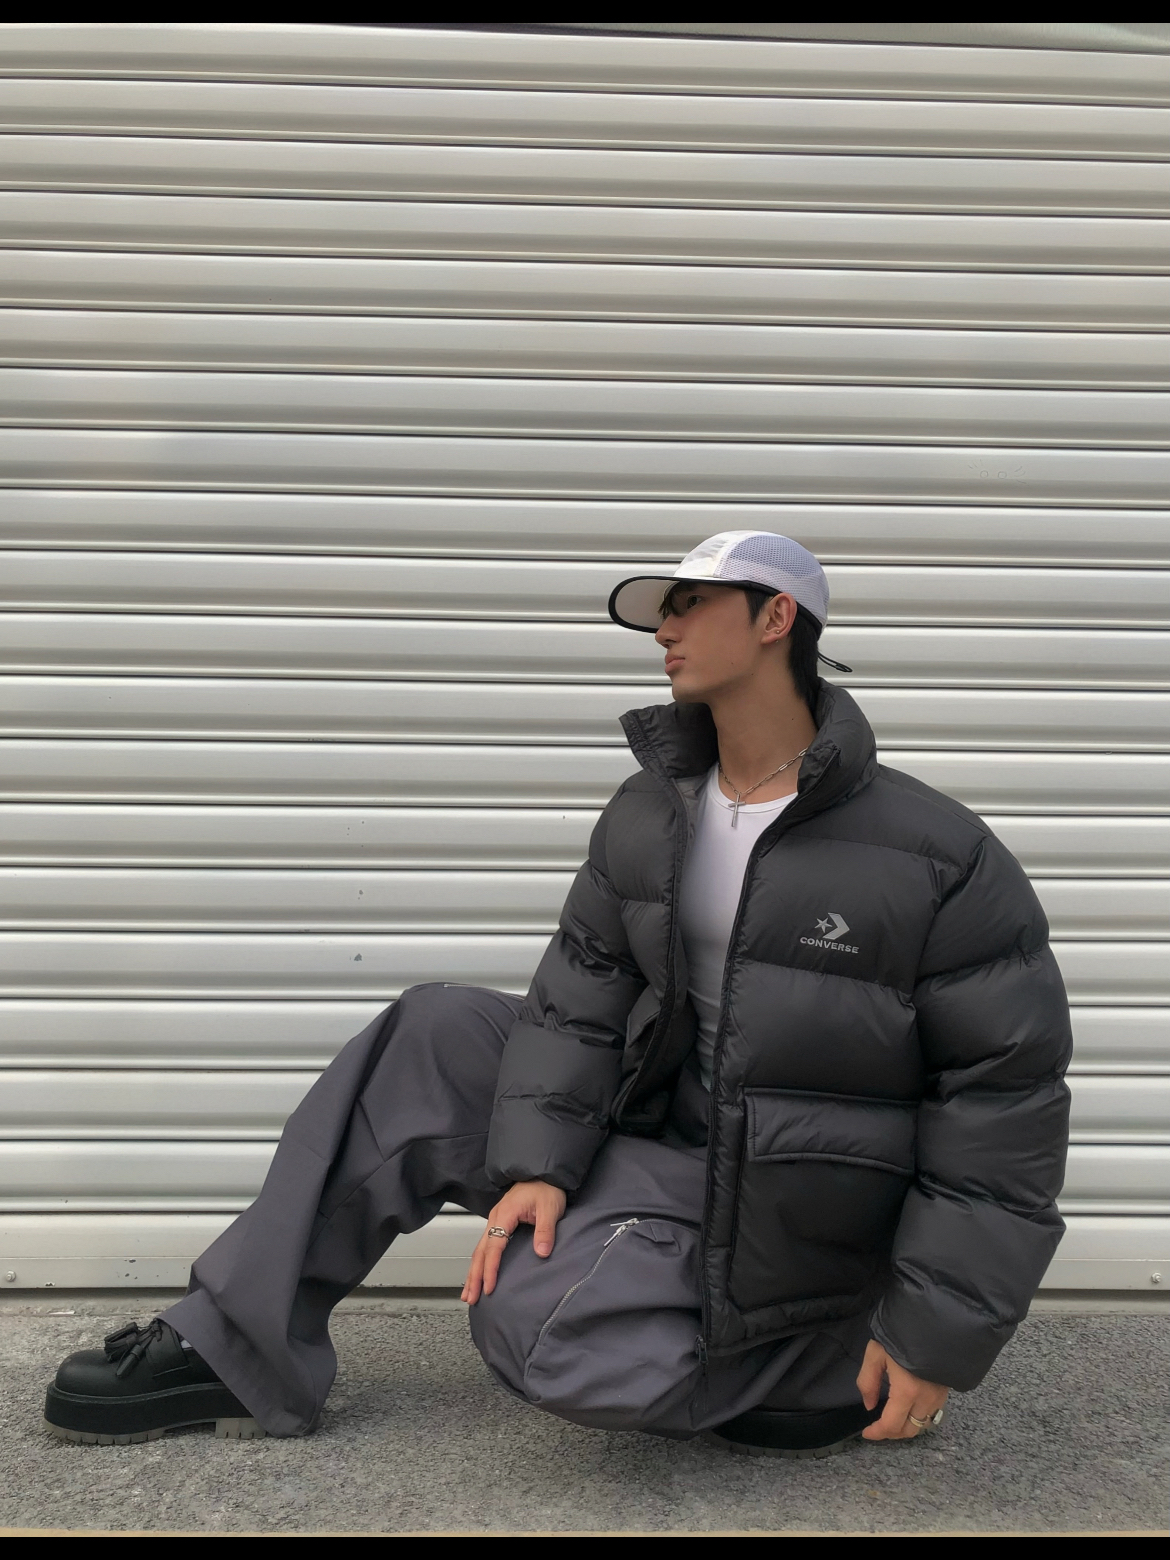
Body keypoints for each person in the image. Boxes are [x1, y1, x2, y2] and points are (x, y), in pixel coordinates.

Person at [43, 531, 1072, 1458]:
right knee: (435, 1030)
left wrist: (931, 1334)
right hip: (672, 1148)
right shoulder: (650, 813)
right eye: (662, 612)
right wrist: (540, 1163)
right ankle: (233, 1348)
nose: (664, 630)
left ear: (775, 619)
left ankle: (814, 1359)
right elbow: (578, 998)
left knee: (540, 1324)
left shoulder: (937, 854)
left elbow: (1001, 1103)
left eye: (689, 605)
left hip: (799, 1207)